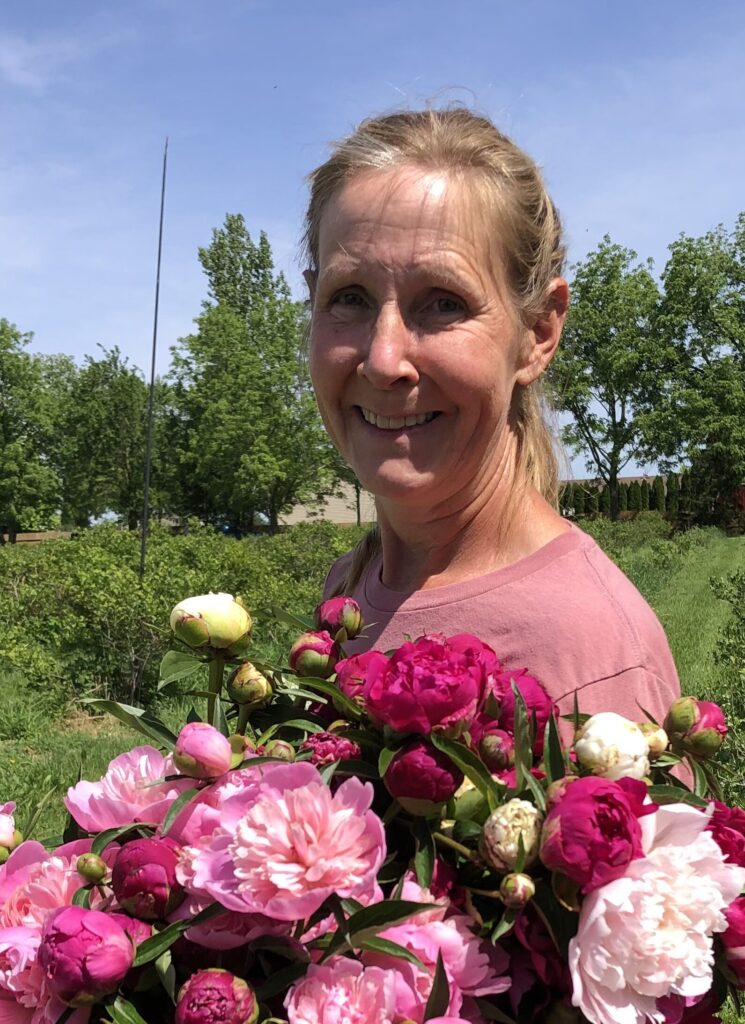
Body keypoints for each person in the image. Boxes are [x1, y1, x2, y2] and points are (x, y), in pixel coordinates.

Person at [302, 108, 680, 727]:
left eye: (443, 303)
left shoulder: (591, 658)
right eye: (349, 298)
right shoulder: (352, 585)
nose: (383, 358)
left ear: (538, 331)